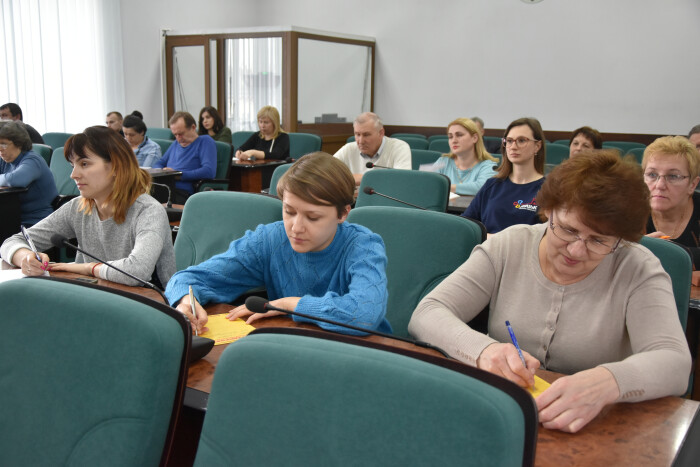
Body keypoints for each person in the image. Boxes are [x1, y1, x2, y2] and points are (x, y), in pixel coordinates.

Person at [409, 151, 691, 433]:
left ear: (621, 238)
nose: (577, 250)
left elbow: (675, 362)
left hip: (594, 428)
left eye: (598, 240)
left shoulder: (638, 268)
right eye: (568, 230)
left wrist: (609, 381)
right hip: (503, 417)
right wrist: (484, 350)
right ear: (550, 210)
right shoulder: (509, 246)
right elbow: (428, 313)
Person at [165, 152, 391, 336]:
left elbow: (364, 315)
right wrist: (186, 301)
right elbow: (186, 278)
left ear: (342, 214)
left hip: (363, 356)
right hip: (296, 348)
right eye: (289, 211)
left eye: (312, 217)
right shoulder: (270, 239)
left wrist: (288, 304)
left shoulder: (364, 245)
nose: (296, 227)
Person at [0, 126, 175, 288]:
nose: (73, 175)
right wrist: (26, 257)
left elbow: (136, 271)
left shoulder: (148, 210)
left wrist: (84, 268)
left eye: (84, 164)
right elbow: (12, 242)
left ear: (116, 166)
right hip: (94, 298)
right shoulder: (78, 207)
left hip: (149, 306)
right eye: (72, 165)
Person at [462, 117, 546, 234]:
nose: (513, 146)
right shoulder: (492, 185)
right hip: (485, 250)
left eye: (521, 140)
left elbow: (546, 238)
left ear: (537, 146)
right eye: (509, 141)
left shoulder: (547, 190)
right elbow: (465, 225)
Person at [643, 135, 700, 267]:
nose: (659, 185)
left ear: (692, 184)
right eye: (652, 175)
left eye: (673, 176)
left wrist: (653, 249)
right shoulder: (626, 209)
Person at [0, 121, 57, 226]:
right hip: (12, 218)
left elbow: (15, 179)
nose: (0, 149)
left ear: (19, 143)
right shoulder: (4, 160)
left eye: (3, 144)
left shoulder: (33, 160)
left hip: (37, 221)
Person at [153, 111, 217, 203]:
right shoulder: (176, 144)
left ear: (193, 128)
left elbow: (209, 171)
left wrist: (178, 175)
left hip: (183, 193)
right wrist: (162, 172)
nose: (178, 138)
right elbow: (160, 163)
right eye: (175, 135)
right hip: (165, 187)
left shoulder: (205, 142)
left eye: (181, 133)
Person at [334, 112, 411, 186]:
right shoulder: (349, 149)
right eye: (357, 134)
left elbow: (402, 180)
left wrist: (362, 178)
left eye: (366, 135)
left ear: (381, 133)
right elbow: (326, 171)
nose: (361, 141)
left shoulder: (399, 148)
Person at [432, 118, 497, 195]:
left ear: (474, 138)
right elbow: (428, 183)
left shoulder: (488, 166)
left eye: (459, 135)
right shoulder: (442, 161)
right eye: (450, 137)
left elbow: (483, 187)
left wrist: (445, 187)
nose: (454, 140)